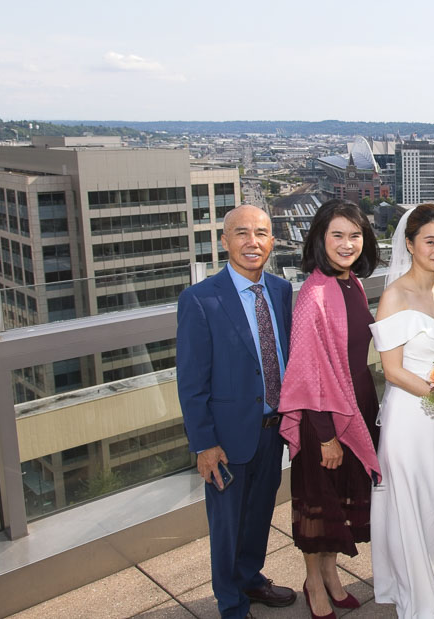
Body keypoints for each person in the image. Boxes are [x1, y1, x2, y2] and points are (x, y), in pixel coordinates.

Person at [176, 204, 297, 619]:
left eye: (261, 233)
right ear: (223, 241)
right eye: (241, 233)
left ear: (272, 241)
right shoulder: (200, 299)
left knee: (261, 512)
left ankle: (250, 577)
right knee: (226, 526)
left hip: (273, 428)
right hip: (227, 437)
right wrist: (204, 443)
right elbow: (191, 382)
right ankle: (230, 602)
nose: (252, 242)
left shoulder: (281, 291)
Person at [369, 204, 434, 618]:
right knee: (416, 504)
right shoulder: (395, 295)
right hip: (412, 420)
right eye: (430, 241)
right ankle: (417, 593)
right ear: (409, 245)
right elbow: (392, 370)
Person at [279, 200, 381, 619]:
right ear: (320, 238)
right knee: (319, 508)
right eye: (337, 235)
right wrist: (325, 435)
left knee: (339, 503)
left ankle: (332, 576)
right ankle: (314, 584)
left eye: (354, 235)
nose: (347, 243)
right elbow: (306, 374)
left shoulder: (351, 283)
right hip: (324, 419)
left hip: (354, 404)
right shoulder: (313, 295)